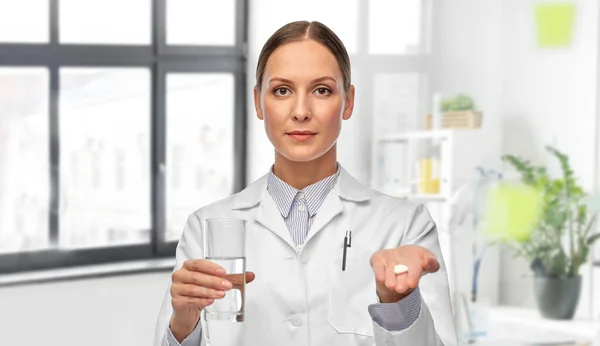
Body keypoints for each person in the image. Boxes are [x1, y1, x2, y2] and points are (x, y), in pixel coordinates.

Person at [154, 20, 457, 346]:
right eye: (282, 90)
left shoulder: (404, 225)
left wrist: (399, 303)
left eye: (322, 90)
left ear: (348, 101)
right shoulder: (205, 228)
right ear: (258, 101)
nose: (300, 111)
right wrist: (183, 323)